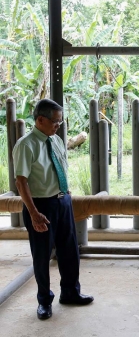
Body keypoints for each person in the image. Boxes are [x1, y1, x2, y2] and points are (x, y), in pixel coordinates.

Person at [13, 99, 93, 321]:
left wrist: (66, 197)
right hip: (41, 205)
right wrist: (33, 213)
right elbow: (21, 182)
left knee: (70, 251)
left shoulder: (56, 140)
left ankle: (70, 292)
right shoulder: (25, 145)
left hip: (63, 201)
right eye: (55, 121)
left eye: (60, 121)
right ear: (40, 119)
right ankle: (44, 301)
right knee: (42, 256)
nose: (59, 125)